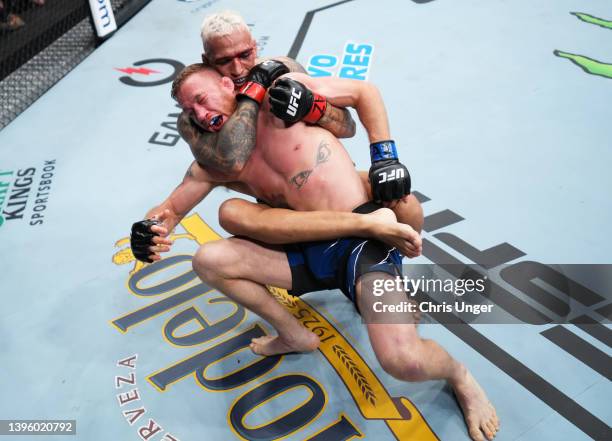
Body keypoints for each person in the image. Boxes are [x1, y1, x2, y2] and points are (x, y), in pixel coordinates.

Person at [130, 62, 499, 441]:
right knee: (210, 256)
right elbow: (170, 210)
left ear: (228, 84)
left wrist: (384, 156)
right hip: (301, 252)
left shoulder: (285, 96)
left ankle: (459, 374)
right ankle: (293, 335)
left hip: (362, 244)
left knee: (402, 360)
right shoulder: (220, 160)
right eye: (190, 111)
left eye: (202, 100)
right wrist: (147, 231)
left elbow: (361, 97)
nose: (201, 115)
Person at [193, 11, 424, 239]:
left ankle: (389, 263)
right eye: (224, 61)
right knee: (228, 219)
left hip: (330, 186)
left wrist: (385, 158)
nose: (237, 69)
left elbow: (347, 126)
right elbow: (205, 176)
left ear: (255, 46)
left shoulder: (282, 72)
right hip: (281, 212)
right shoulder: (198, 115)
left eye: (244, 55)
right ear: (207, 61)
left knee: (407, 206)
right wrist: (156, 225)